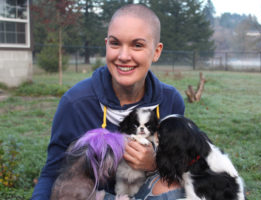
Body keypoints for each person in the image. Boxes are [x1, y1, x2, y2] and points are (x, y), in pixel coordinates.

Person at [31, 4, 185, 200]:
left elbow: (179, 165)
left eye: (137, 45)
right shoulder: (75, 103)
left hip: (140, 193)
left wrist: (153, 163)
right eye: (115, 43)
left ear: (156, 51)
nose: (123, 56)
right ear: (106, 45)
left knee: (172, 188)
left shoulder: (170, 101)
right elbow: (52, 172)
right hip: (91, 195)